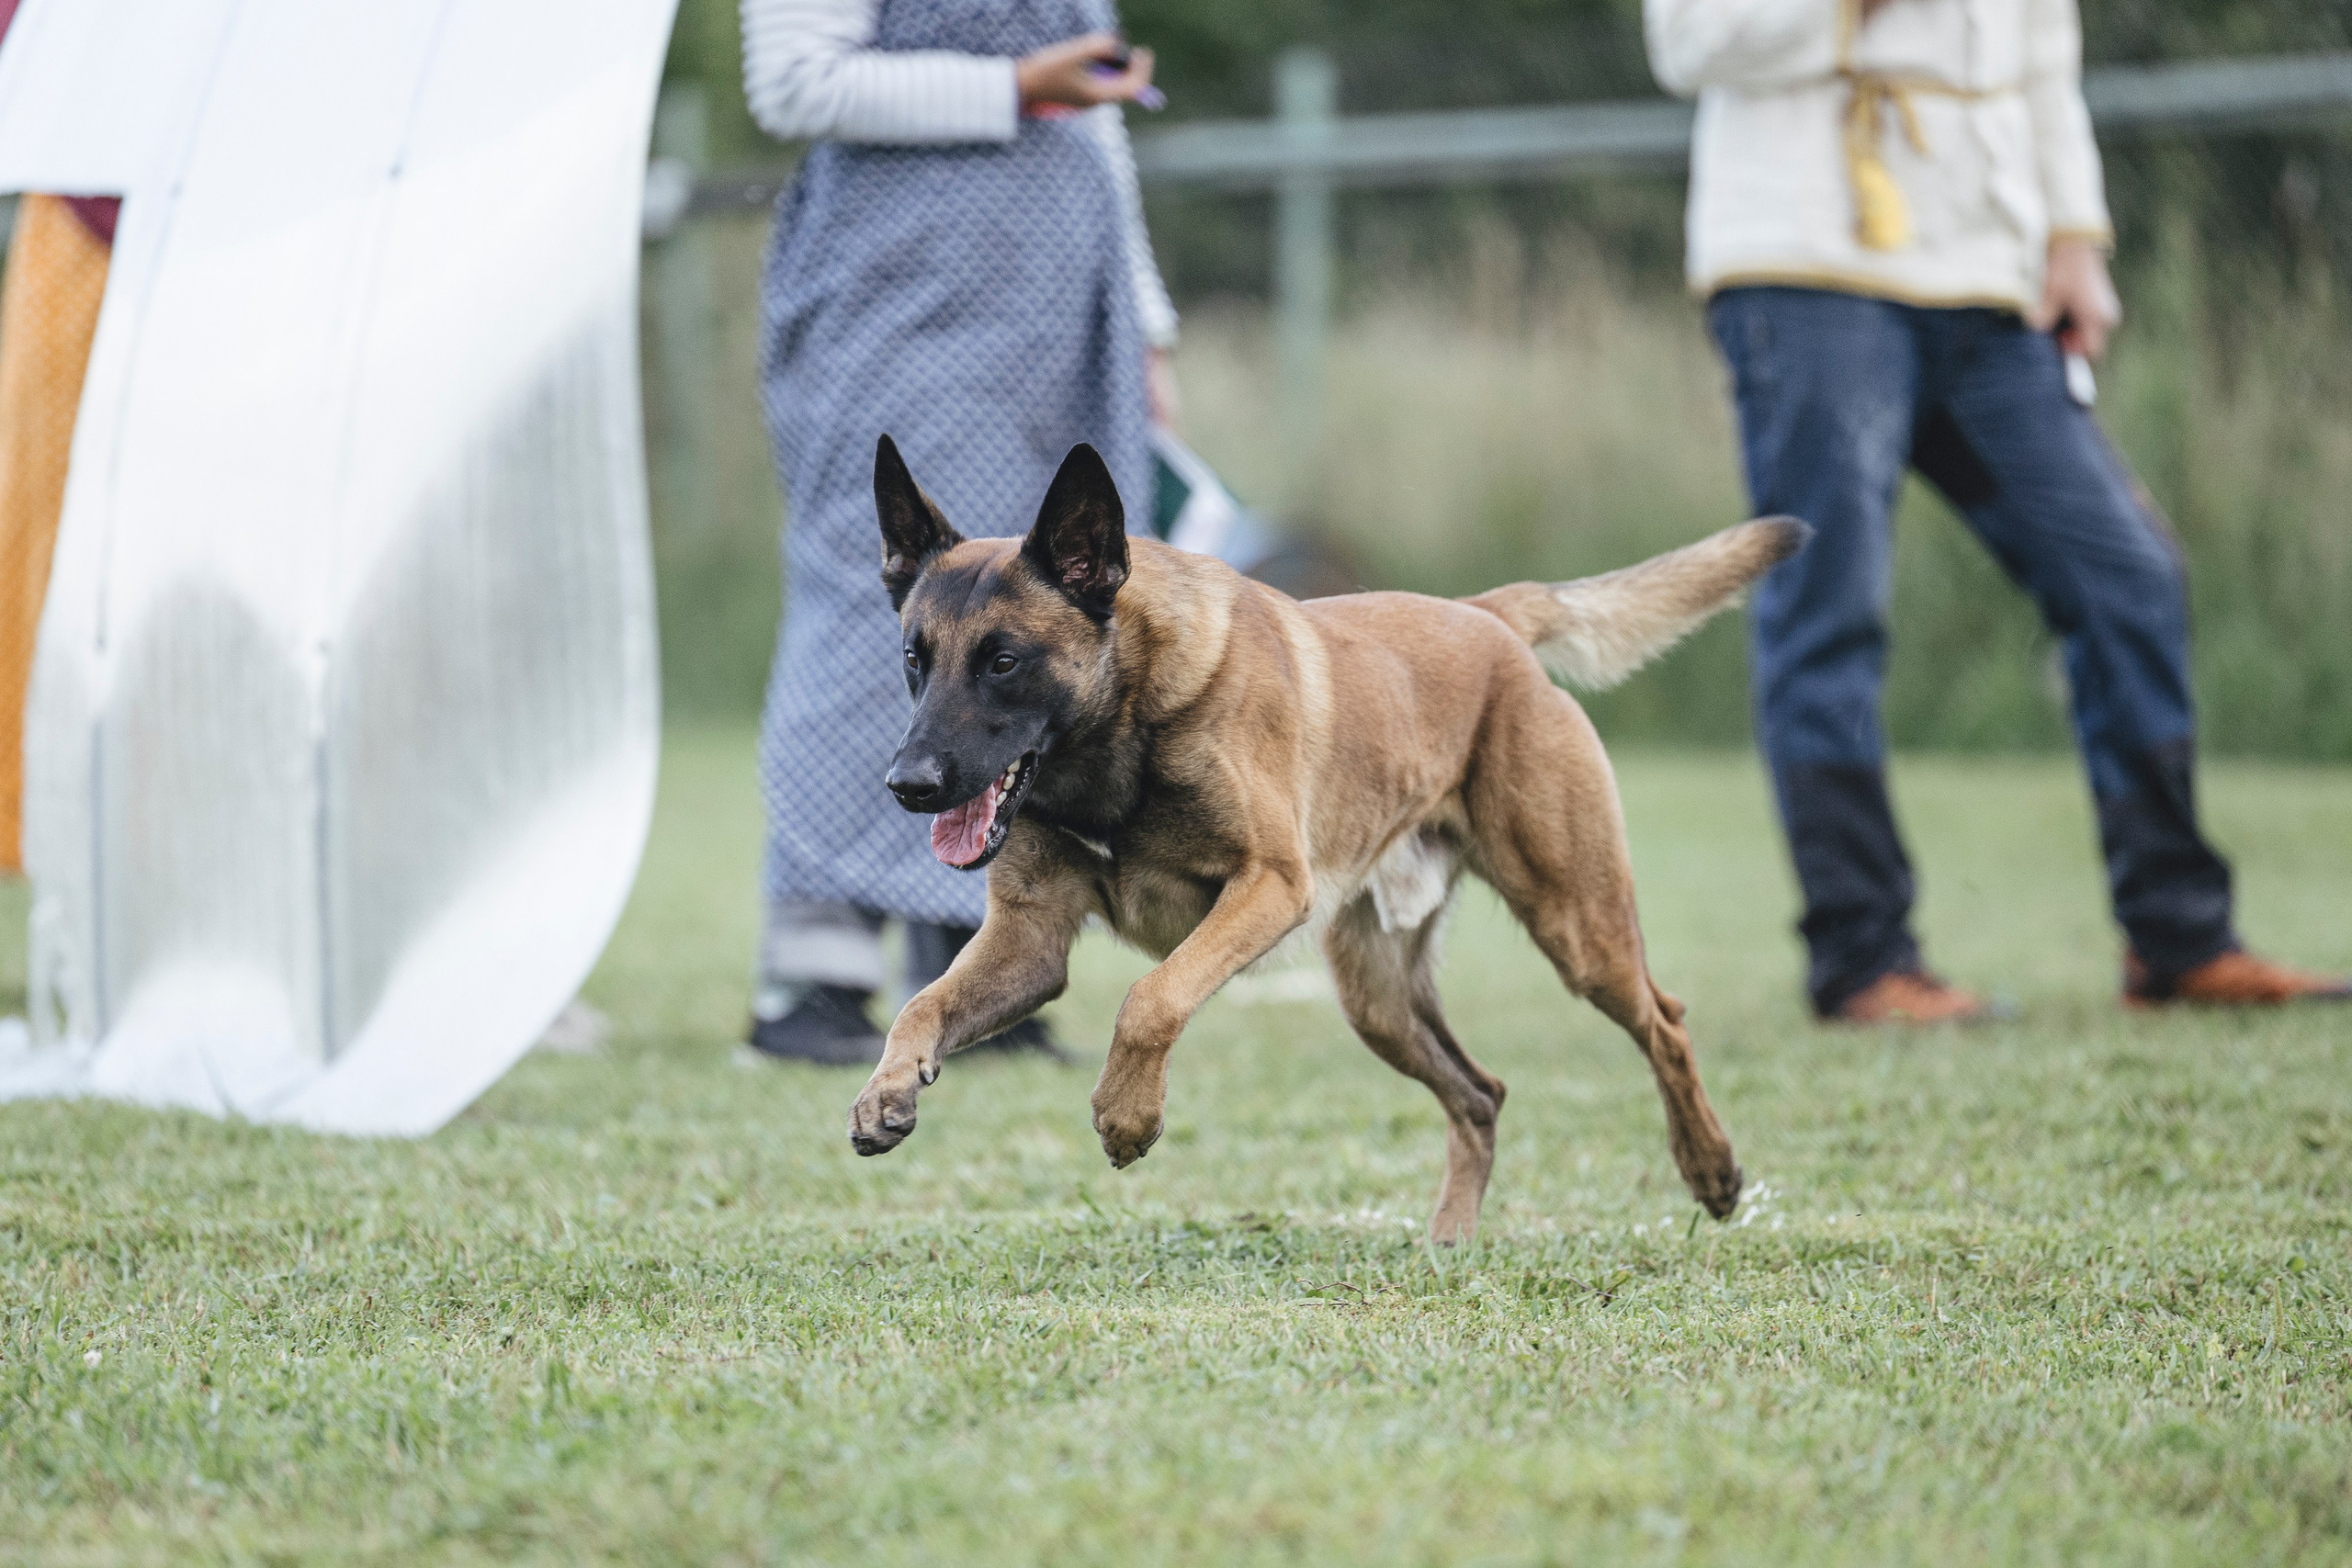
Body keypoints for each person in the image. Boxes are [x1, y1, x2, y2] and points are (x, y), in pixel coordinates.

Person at [1645, 0, 2349, 1021]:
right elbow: (1687, 42)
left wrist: (2074, 237)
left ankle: (2178, 938)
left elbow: (2041, 49)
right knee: (1830, 609)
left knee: (2128, 574)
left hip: (1986, 276)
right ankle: (1861, 956)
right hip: (1805, 265)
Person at [737, 0, 1179, 1062]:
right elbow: (792, 82)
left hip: (1052, 308)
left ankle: (976, 969)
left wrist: (1144, 323)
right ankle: (813, 979)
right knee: (883, 614)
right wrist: (1016, 87)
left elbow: (1100, 119)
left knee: (1019, 629)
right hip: (898, 291)